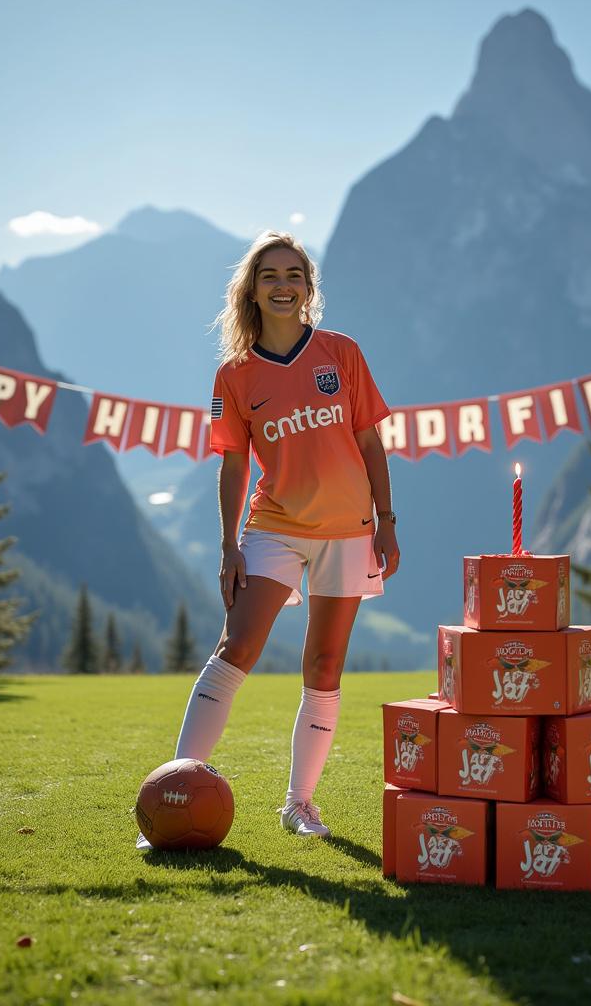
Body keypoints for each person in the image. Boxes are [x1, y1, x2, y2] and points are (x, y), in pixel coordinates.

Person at [174, 230, 399, 838]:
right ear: (250, 289)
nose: (283, 285)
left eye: (294, 275)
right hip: (272, 526)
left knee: (324, 665)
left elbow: (371, 442)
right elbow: (232, 465)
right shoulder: (233, 376)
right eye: (269, 275)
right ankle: (175, 787)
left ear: (308, 288)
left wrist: (386, 521)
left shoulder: (341, 353)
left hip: (349, 532)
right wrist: (228, 545)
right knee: (236, 649)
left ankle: (299, 804)